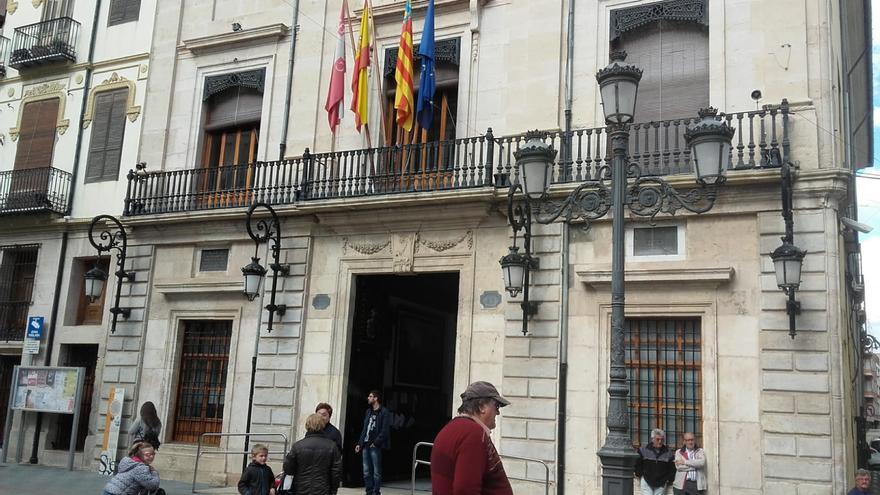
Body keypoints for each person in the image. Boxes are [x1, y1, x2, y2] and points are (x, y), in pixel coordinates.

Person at [430, 381, 513, 495]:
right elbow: (465, 489)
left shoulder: (450, 428)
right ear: (482, 407)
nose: (498, 413)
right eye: (496, 406)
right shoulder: (474, 434)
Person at [283, 413, 343, 495]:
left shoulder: (298, 446)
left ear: (307, 425)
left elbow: (288, 468)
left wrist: (288, 488)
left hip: (300, 488)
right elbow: (336, 472)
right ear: (322, 425)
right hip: (323, 488)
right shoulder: (332, 446)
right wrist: (333, 490)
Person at [355, 389, 392, 495]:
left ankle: (376, 492)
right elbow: (364, 429)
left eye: (370, 396)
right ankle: (369, 491)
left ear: (376, 398)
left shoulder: (384, 412)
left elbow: (385, 431)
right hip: (366, 444)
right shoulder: (368, 411)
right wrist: (359, 443)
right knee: (366, 471)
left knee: (376, 471)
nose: (368, 398)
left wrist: (376, 443)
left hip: (376, 445)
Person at [635, 428, 675, 495]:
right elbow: (638, 464)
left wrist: (669, 479)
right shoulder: (643, 450)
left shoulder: (668, 453)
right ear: (652, 439)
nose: (660, 441)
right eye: (657, 439)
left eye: (662, 440)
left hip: (662, 481)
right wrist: (639, 474)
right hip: (646, 480)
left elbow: (672, 468)